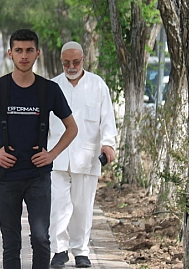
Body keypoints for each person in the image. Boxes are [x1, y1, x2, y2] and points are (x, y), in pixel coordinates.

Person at [0, 29, 79, 269]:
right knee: (11, 242)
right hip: (6, 177)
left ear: (37, 53)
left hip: (37, 176)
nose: (24, 56)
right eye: (19, 51)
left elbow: (72, 128)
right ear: (10, 54)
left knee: (40, 238)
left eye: (29, 50)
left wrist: (52, 154)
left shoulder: (49, 90)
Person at [48, 42, 117, 268]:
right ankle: (59, 250)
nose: (71, 66)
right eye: (67, 63)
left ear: (83, 60)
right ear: (61, 62)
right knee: (58, 205)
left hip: (86, 158)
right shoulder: (52, 87)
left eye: (75, 62)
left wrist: (108, 145)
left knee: (82, 207)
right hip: (56, 157)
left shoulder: (97, 85)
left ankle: (81, 251)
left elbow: (107, 120)